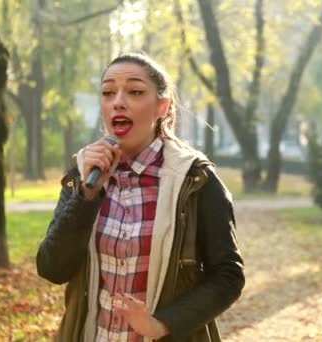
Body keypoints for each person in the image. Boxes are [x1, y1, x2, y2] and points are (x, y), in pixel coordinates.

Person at [36, 53, 245, 341]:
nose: (118, 101)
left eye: (135, 91)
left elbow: (228, 276)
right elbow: (52, 268)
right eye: (108, 93)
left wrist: (163, 324)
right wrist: (87, 195)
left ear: (162, 106)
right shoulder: (84, 173)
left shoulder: (194, 179)